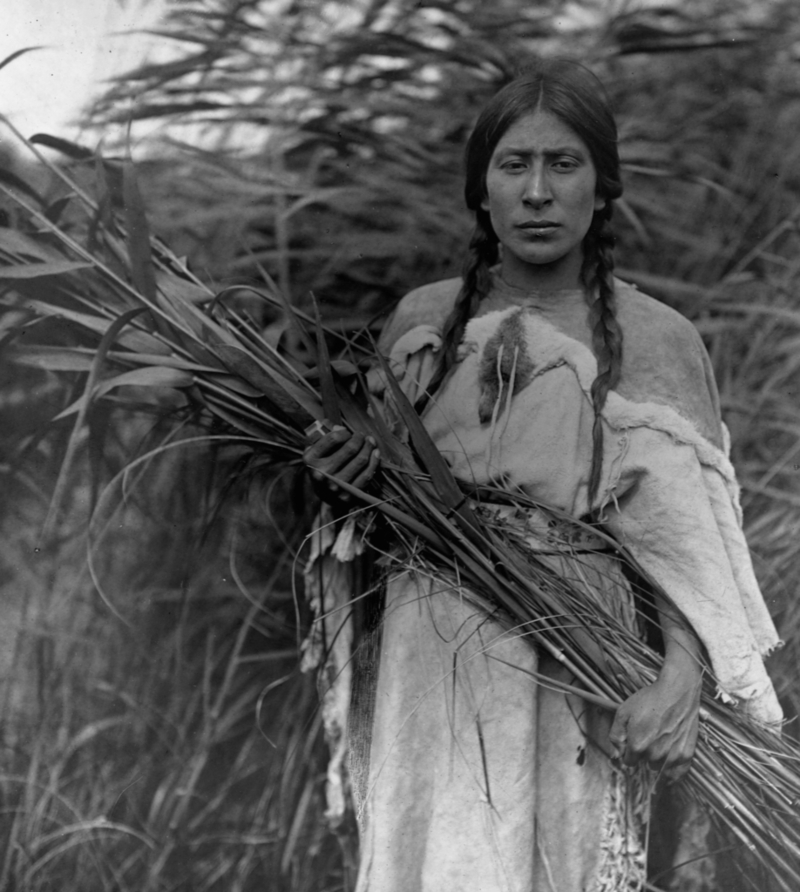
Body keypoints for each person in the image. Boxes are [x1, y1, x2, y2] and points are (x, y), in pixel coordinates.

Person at [302, 58, 782, 892]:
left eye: (563, 165)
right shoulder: (422, 324)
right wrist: (342, 485)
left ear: (602, 187)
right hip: (432, 668)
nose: (536, 192)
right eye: (513, 165)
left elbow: (693, 556)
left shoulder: (657, 339)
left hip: (580, 673)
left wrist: (677, 682)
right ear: (480, 189)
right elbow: (376, 524)